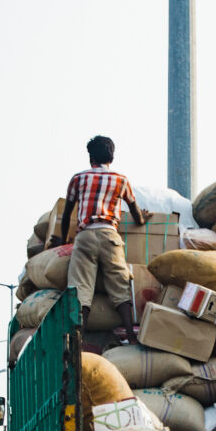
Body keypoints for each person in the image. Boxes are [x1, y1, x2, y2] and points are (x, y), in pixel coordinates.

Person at [61, 136, 150, 342]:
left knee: (81, 291)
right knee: (120, 286)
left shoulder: (78, 179)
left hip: (85, 237)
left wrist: (65, 240)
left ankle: (78, 340)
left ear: (90, 157)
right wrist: (142, 219)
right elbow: (135, 212)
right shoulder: (121, 180)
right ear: (112, 157)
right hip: (110, 235)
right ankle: (130, 335)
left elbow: (66, 215)